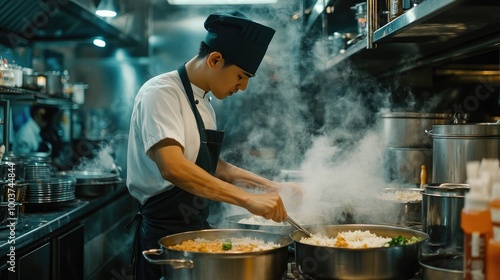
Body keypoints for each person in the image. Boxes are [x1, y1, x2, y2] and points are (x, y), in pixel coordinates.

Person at [126, 10, 301, 279]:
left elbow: (210, 166)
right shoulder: (161, 92)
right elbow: (173, 168)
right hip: (164, 239)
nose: (242, 87)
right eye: (241, 77)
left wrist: (272, 187)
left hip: (196, 233)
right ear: (215, 59)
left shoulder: (205, 103)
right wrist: (247, 200)